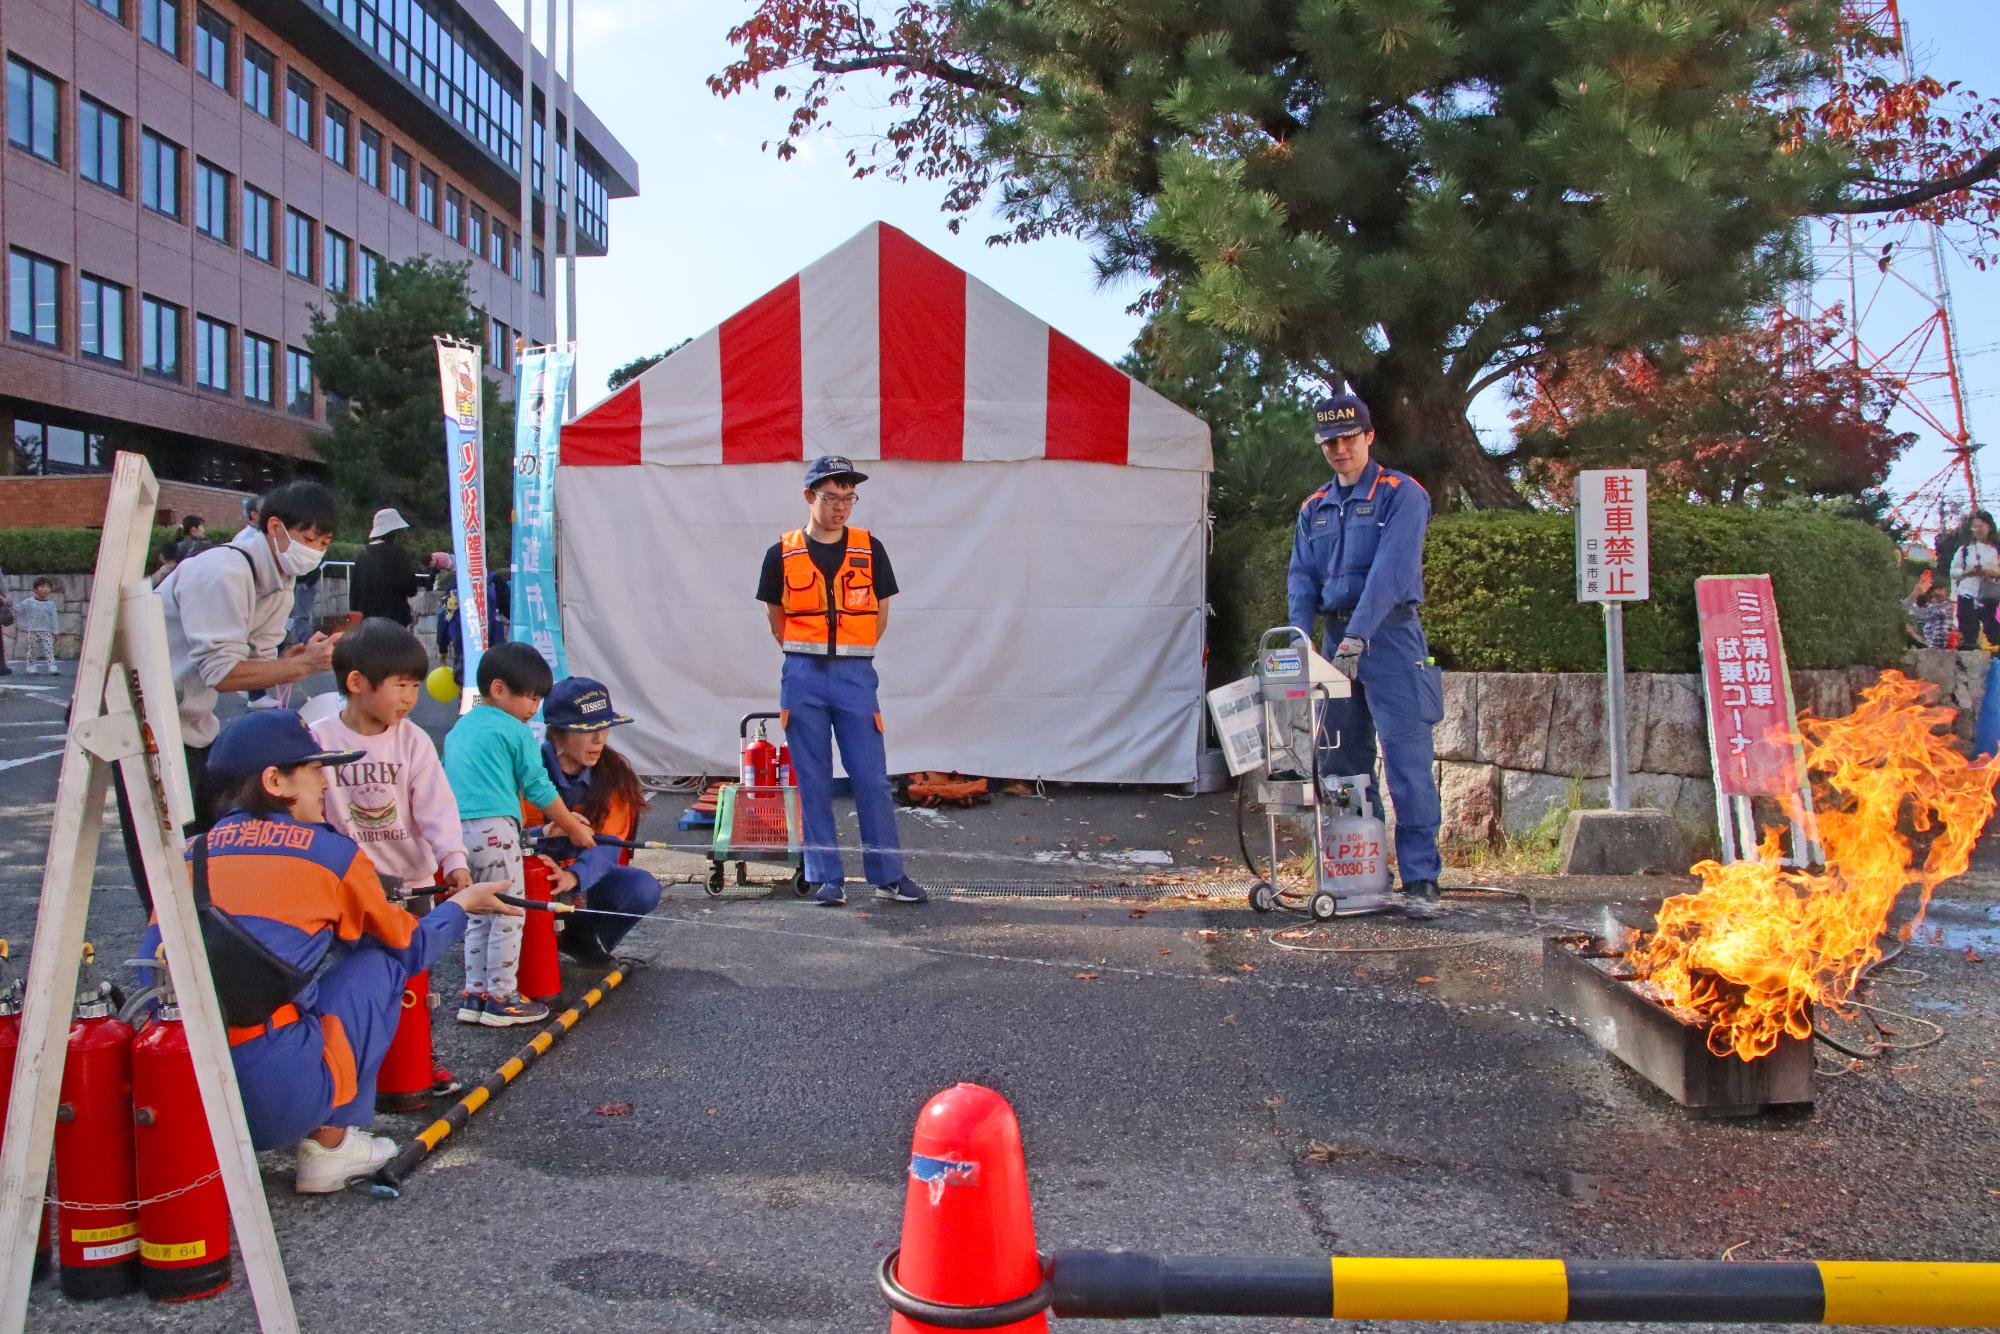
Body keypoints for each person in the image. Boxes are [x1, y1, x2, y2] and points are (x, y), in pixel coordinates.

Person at [140, 710, 517, 1191]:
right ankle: (331, 1147)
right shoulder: (329, 854)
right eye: (314, 769)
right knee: (376, 963)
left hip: (172, 1090)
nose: (326, 782)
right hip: (270, 1099)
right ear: (275, 780)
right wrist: (463, 904)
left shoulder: (191, 852)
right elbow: (410, 946)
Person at [117, 481, 342, 909]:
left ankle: (213, 934)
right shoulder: (222, 570)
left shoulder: (279, 578)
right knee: (167, 851)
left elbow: (259, 658)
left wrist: (295, 656)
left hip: (190, 723)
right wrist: (301, 665)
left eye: (324, 542)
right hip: (146, 721)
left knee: (209, 840)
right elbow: (223, 672)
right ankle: (170, 946)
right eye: (309, 538)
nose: (315, 550)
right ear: (274, 527)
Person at [1285, 392, 1445, 917]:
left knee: (1407, 763)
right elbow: (1302, 578)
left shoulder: (1402, 494)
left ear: (1369, 436)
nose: (1339, 448)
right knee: (1342, 765)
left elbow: (1391, 573)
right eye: (1329, 441)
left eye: (1348, 437)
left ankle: (1421, 877)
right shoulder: (1315, 508)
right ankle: (1365, 867)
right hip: (1335, 642)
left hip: (1391, 638)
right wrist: (1297, 640)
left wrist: (1359, 636)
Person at [309, 619, 472, 1105]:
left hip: (413, 882)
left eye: (416, 687)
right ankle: (358, 1066)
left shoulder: (413, 741)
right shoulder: (317, 740)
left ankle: (420, 1056)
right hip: (350, 891)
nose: (410, 699)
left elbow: (437, 807)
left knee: (414, 980)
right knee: (355, 980)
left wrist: (454, 860)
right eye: (401, 685)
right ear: (357, 683)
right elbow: (309, 813)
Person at [755, 455, 928, 907]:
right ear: (809, 496)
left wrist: (851, 654)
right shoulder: (781, 553)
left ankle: (888, 874)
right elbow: (777, 621)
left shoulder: (870, 548)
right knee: (813, 780)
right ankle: (827, 876)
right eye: (832, 497)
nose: (842, 507)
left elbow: (880, 614)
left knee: (870, 779)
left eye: (849, 498)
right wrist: (806, 657)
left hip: (855, 677)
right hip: (802, 676)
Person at [442, 641, 595, 1026]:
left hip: (457, 831)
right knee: (510, 912)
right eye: (530, 698)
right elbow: (539, 787)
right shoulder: (514, 730)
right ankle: (502, 996)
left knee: (479, 911)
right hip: (495, 830)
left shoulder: (461, 727)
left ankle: (474, 993)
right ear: (498, 689)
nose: (534, 708)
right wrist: (573, 826)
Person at [526, 677, 664, 965]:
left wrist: (573, 877)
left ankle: (585, 936)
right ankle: (526, 949)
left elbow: (609, 846)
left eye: (604, 728)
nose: (599, 740)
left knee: (642, 887)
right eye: (587, 731)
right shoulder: (529, 771)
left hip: (588, 878)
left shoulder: (615, 775)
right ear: (558, 734)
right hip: (534, 876)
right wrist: (545, 835)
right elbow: (510, 835)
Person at [351, 507, 424, 626]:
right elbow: (411, 590)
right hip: (394, 622)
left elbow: (354, 594)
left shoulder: (362, 555)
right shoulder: (399, 553)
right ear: (394, 532)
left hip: (367, 625)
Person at [1948, 510, 2000, 651]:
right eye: (1974, 526)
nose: (1977, 530)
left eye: (1980, 526)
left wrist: (1992, 572)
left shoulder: (1996, 550)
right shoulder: (1965, 550)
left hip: (1990, 596)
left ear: (1989, 526)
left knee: (1993, 631)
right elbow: (1953, 572)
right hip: (1967, 593)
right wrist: (1967, 572)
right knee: (1968, 630)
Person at [13, 578, 60, 675]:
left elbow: (54, 619)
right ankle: (31, 666)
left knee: (48, 648)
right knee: (32, 649)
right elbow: (18, 608)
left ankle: (52, 666)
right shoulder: (29, 602)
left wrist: (56, 631)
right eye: (42, 587)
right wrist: (9, 606)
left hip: (46, 631)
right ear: (35, 590)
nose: (46, 589)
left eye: (48, 587)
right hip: (33, 631)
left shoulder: (51, 605)